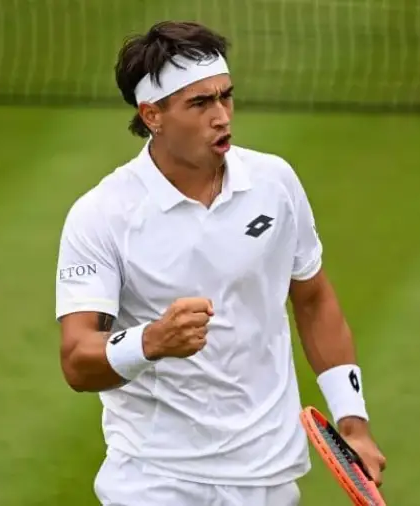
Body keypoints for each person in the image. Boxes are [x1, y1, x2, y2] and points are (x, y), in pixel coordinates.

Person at [55, 20, 386, 506]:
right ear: (152, 115)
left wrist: (353, 422)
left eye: (225, 97)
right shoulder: (101, 215)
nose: (222, 116)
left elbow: (313, 300)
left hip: (268, 476)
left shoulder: (275, 183)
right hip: (154, 480)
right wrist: (151, 342)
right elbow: (77, 360)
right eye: (200, 103)